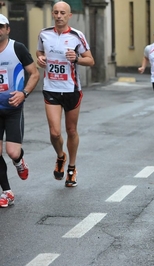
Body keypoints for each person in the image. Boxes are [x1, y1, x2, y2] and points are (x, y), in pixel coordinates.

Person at [36, 1, 95, 187]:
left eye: (63, 13)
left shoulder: (77, 36)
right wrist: (41, 59)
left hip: (71, 89)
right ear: (52, 14)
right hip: (51, 87)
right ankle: (61, 156)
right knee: (54, 133)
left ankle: (71, 167)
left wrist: (77, 58)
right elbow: (39, 53)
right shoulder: (44, 34)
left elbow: (90, 60)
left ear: (69, 15)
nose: (59, 15)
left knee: (71, 130)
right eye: (56, 12)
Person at [0, 14, 40, 207]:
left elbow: (34, 74)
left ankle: (19, 162)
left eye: (1, 27)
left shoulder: (17, 48)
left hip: (14, 108)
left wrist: (24, 93)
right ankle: (7, 192)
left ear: (8, 29)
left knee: (12, 152)